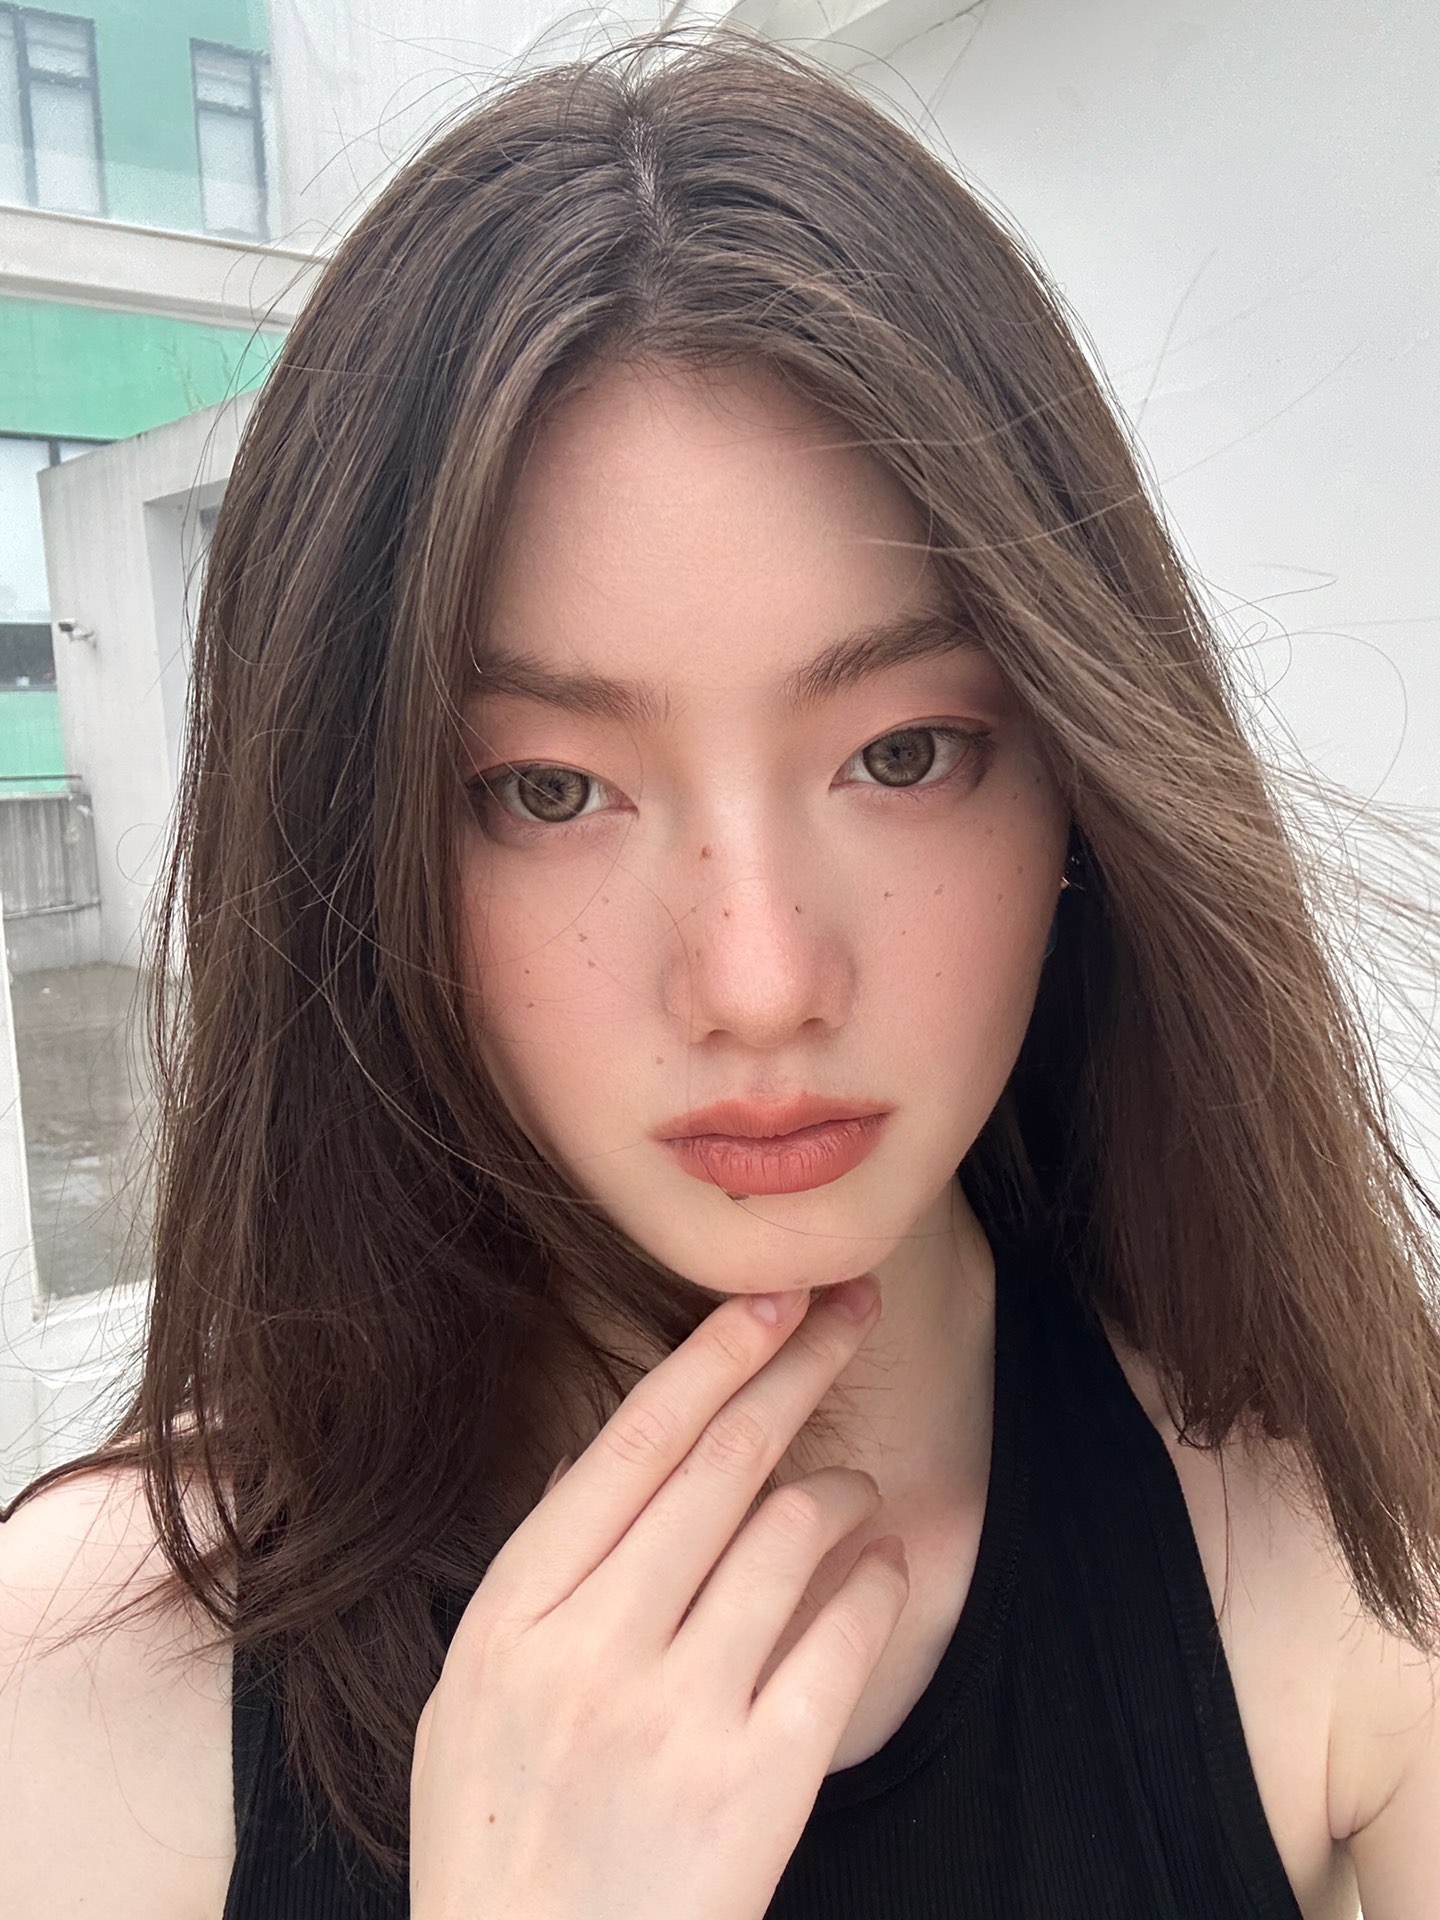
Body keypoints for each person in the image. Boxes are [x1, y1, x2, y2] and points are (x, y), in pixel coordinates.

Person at [1, 26, 1437, 1920]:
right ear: (352, 862)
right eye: (548, 789)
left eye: (905, 753)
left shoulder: (1334, 1539)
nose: (760, 983)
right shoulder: (81, 1695)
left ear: (1085, 782)